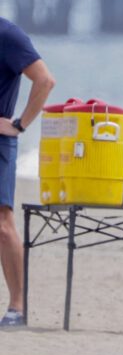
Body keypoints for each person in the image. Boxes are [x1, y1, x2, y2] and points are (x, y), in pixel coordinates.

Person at [0, 18, 56, 327]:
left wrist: (19, 124)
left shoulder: (7, 34)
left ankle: (17, 308)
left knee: (2, 225)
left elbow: (44, 80)